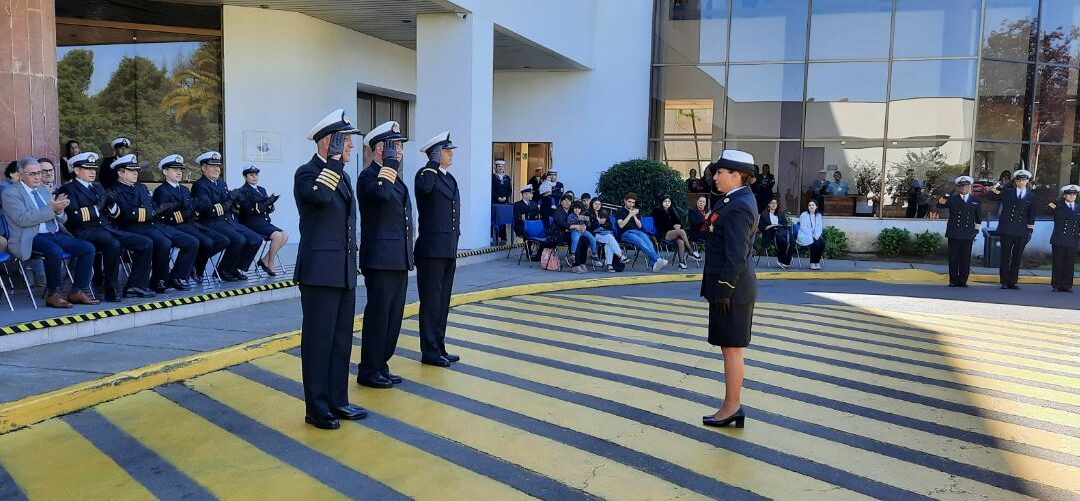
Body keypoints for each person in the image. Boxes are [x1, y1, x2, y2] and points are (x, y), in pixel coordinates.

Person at [294, 108, 367, 430]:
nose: (351, 147)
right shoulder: (307, 174)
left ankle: (338, 400)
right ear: (329, 142)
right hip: (319, 271)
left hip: (343, 270)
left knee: (341, 340)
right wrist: (335, 161)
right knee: (319, 341)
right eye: (345, 141)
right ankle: (317, 407)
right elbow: (321, 198)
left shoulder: (344, 175)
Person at [700, 150, 759, 429]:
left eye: (721, 172)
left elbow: (737, 254)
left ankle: (733, 406)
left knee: (733, 349)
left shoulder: (740, 205)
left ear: (736, 175)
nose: (716, 176)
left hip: (733, 288)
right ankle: (730, 405)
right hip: (729, 286)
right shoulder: (733, 200)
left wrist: (724, 289)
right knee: (728, 348)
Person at [356, 120, 413, 387]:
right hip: (380, 259)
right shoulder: (369, 176)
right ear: (380, 148)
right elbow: (380, 195)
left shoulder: (395, 178)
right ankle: (369, 369)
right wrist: (389, 166)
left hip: (398, 257)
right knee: (379, 315)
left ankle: (382, 363)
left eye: (400, 146)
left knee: (393, 316)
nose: (400, 151)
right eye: (395, 146)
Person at [2, 157, 98, 308]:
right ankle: (53, 294)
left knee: (87, 248)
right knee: (54, 251)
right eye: (33, 174)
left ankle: (78, 291)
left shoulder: (42, 190)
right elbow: (22, 219)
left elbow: (62, 218)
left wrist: (59, 211)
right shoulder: (11, 193)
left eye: (39, 173)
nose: (38, 177)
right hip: (31, 236)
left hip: (54, 233)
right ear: (20, 174)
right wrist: (51, 209)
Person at [58, 152, 154, 301]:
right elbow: (76, 217)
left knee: (145, 243)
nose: (92, 172)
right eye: (87, 168)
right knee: (113, 244)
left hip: (105, 229)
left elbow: (114, 214)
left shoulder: (98, 187)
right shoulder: (69, 189)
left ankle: (135, 286)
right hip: (85, 231)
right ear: (76, 170)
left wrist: (110, 203)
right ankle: (111, 288)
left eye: (94, 169)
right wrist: (99, 206)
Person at [109, 154, 198, 293]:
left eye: (136, 170)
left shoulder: (141, 188)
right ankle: (157, 280)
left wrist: (145, 213)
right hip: (130, 228)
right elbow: (126, 214)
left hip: (152, 224)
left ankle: (176, 278)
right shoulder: (115, 190)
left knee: (191, 242)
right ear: (121, 173)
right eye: (131, 171)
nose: (136, 173)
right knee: (163, 242)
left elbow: (152, 208)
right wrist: (146, 213)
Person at [414, 130, 463, 367]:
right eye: (446, 151)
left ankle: (439, 346)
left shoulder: (449, 178)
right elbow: (424, 189)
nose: (451, 154)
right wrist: (432, 164)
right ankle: (429, 350)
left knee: (443, 301)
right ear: (435, 154)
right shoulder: (426, 174)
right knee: (431, 301)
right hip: (431, 250)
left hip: (447, 248)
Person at [152, 155, 229, 282]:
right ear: (165, 172)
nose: (179, 172)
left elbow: (193, 209)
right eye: (174, 170)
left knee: (222, 240)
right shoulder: (161, 191)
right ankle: (179, 276)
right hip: (175, 226)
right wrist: (186, 212)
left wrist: (191, 211)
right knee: (204, 242)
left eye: (180, 170)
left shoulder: (184, 189)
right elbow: (166, 216)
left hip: (191, 224)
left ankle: (193, 265)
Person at [191, 151, 263, 281]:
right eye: (213, 166)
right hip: (211, 222)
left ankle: (233, 267)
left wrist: (237, 200)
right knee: (238, 239)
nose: (217, 169)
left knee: (255, 239)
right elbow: (208, 210)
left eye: (218, 166)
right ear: (203, 168)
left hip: (228, 221)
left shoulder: (221, 183)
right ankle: (224, 270)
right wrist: (229, 201)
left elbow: (228, 204)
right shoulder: (200, 185)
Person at [234, 165, 289, 276]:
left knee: (285, 235)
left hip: (263, 221)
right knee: (277, 236)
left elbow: (268, 209)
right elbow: (247, 210)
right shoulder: (242, 191)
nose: (254, 177)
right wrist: (264, 205)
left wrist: (270, 204)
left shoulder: (261, 189)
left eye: (256, 174)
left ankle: (264, 260)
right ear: (245, 177)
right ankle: (271, 263)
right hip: (251, 222)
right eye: (251, 175)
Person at [986, 170, 1036, 289]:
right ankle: (1004, 281)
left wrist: (1030, 230)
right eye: (1019, 180)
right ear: (1016, 181)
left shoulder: (1031, 196)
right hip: (1007, 228)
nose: (1021, 182)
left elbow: (1031, 215)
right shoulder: (1008, 192)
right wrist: (999, 186)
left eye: (1024, 180)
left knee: (1017, 257)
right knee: (1005, 256)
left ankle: (1013, 282)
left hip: (1021, 230)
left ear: (1027, 181)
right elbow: (990, 196)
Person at [936, 176, 981, 287]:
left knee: (965, 258)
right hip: (954, 232)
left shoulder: (975, 200)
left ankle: (963, 280)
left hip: (968, 232)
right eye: (961, 186)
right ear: (958, 188)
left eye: (965, 186)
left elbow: (978, 218)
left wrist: (976, 230)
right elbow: (940, 204)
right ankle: (953, 280)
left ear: (969, 186)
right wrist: (948, 192)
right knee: (953, 258)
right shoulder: (952, 199)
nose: (963, 188)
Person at [614, 193, 668, 272]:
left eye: (633, 202)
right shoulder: (620, 211)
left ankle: (654, 264)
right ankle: (658, 259)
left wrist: (634, 216)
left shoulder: (635, 212)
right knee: (641, 242)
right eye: (629, 202)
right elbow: (621, 225)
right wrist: (629, 215)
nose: (631, 204)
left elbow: (639, 226)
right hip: (626, 233)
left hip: (638, 231)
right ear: (625, 201)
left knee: (649, 243)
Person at [651, 195, 699, 270]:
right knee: (682, 232)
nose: (667, 203)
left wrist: (678, 225)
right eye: (665, 201)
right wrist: (674, 226)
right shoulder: (657, 210)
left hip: (674, 233)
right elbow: (661, 224)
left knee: (680, 241)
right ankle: (690, 251)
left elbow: (678, 221)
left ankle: (681, 263)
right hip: (663, 233)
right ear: (661, 202)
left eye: (669, 201)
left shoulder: (671, 210)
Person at [1048, 185, 1080, 292]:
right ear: (1064, 195)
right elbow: (1045, 210)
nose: (1072, 196)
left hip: (1073, 239)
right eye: (1069, 194)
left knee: (1069, 264)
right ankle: (1056, 285)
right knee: (1058, 262)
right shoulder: (1058, 206)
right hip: (1059, 238)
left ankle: (1067, 285)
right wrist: (1056, 202)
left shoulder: (1078, 207)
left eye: (1074, 194)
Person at [586, 197, 628, 272]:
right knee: (609, 238)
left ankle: (609, 266)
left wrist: (604, 223)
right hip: (592, 235)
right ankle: (620, 256)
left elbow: (610, 226)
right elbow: (588, 226)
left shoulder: (603, 213)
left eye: (599, 204)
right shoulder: (587, 213)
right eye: (595, 204)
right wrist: (598, 223)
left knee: (609, 241)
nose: (597, 206)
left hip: (603, 234)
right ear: (592, 204)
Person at [551, 194, 590, 273]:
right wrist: (574, 226)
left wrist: (584, 226)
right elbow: (561, 224)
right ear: (561, 202)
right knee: (576, 240)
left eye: (569, 201)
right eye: (565, 200)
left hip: (570, 232)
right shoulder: (558, 211)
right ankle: (575, 265)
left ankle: (582, 263)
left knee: (585, 239)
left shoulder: (572, 211)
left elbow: (583, 220)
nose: (567, 202)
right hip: (559, 234)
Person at [759, 198, 793, 269]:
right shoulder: (764, 215)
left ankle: (786, 261)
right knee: (783, 241)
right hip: (770, 234)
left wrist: (780, 226)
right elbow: (761, 228)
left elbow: (785, 225)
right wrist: (770, 226)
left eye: (775, 203)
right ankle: (781, 260)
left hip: (781, 233)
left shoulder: (781, 215)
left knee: (792, 241)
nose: (774, 204)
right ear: (769, 204)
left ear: (777, 205)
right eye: (772, 203)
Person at [513, 185, 543, 260]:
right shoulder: (517, 205)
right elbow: (519, 217)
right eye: (530, 193)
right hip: (521, 226)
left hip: (534, 225)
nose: (532, 195)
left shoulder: (534, 204)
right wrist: (531, 214)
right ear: (524, 194)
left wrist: (527, 215)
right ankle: (529, 253)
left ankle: (538, 255)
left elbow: (538, 214)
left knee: (544, 233)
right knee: (527, 232)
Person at [568, 200, 600, 268]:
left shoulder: (583, 215)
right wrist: (578, 218)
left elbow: (588, 224)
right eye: (575, 208)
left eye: (579, 209)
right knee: (575, 239)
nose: (577, 210)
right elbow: (570, 223)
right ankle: (573, 253)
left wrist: (586, 222)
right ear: (573, 208)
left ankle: (594, 253)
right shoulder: (571, 215)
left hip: (583, 230)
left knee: (592, 238)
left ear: (581, 209)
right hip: (575, 230)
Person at [796, 200, 826, 270]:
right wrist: (812, 236)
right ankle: (812, 262)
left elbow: (819, 227)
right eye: (809, 205)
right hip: (804, 235)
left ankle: (817, 262)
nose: (811, 206)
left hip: (815, 235)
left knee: (822, 243)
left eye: (813, 205)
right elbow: (804, 228)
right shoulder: (804, 215)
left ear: (816, 206)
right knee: (815, 243)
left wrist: (817, 235)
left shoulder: (818, 215)